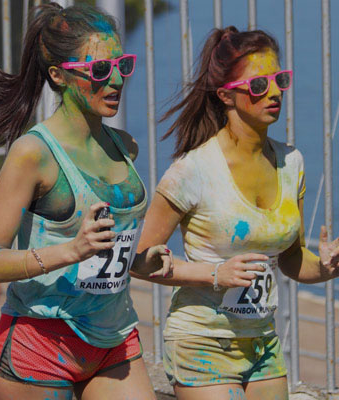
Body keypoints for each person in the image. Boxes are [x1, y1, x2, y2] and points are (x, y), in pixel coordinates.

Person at [0, 3, 171, 399]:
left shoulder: (125, 147)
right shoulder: (33, 154)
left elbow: (103, 256)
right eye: (100, 70)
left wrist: (140, 261)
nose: (116, 80)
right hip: (41, 343)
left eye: (122, 65)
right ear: (58, 75)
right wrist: (72, 250)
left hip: (114, 338)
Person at [134, 26, 339, 400]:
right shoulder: (193, 170)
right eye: (259, 85)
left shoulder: (292, 162)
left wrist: (327, 267)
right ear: (226, 95)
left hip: (262, 344)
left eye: (279, 80)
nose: (274, 92)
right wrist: (215, 274)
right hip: (201, 341)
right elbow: (139, 261)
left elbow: (292, 259)